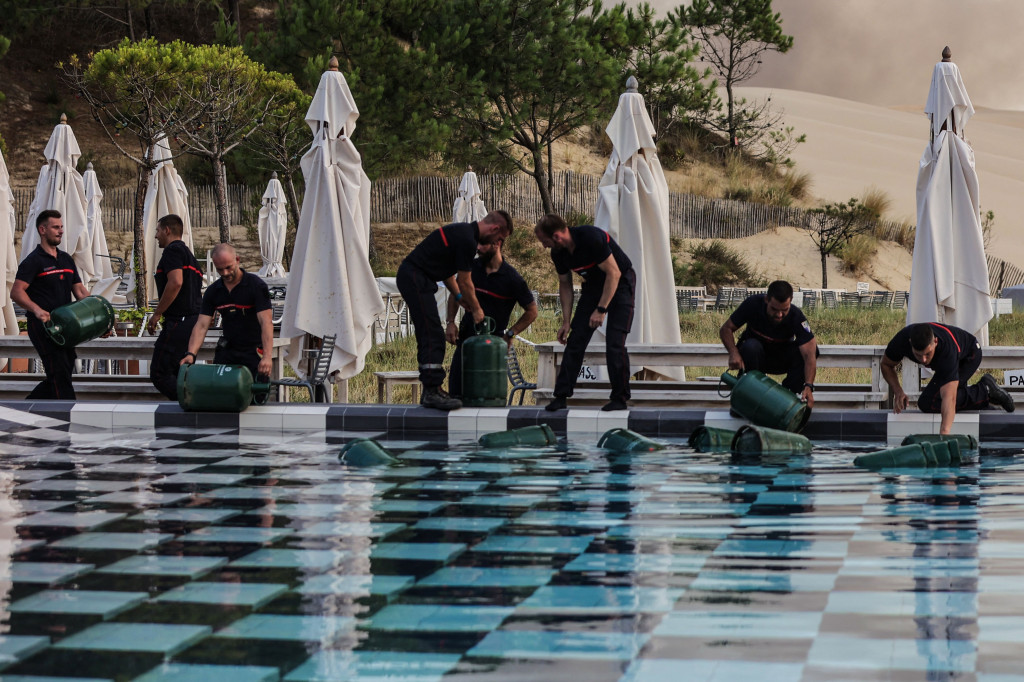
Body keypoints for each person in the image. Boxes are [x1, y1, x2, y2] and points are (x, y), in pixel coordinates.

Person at [397, 210, 513, 410]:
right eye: (499, 238)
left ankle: (433, 388)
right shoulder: (468, 240)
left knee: (431, 332)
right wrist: (477, 309)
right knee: (432, 334)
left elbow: (448, 274)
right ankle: (431, 391)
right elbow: (466, 281)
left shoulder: (463, 233)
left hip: (417, 277)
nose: (497, 243)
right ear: (494, 229)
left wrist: (459, 298)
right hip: (415, 277)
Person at [534, 214, 636, 412]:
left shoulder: (591, 237)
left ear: (556, 236)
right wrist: (566, 321)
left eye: (544, 241)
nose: (544, 246)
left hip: (621, 283)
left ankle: (619, 398)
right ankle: (561, 396)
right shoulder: (558, 253)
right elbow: (565, 284)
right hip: (594, 287)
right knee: (576, 340)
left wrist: (601, 309)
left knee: (615, 342)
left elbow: (614, 273)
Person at [11, 210, 91, 399]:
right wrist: (37, 310)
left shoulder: (66, 259)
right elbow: (16, 291)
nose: (61, 231)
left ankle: (26, 407)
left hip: (66, 326)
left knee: (63, 370)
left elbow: (80, 291)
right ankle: (67, 410)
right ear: (42, 230)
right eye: (56, 227)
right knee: (59, 373)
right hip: (43, 327)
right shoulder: (33, 261)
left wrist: (97, 313)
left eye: (61, 227)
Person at [445, 237, 538, 399]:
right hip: (466, 341)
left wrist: (511, 333)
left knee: (487, 398)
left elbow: (532, 311)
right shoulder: (470, 268)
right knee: (456, 394)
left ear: (497, 244)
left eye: (482, 244)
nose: (478, 248)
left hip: (492, 347)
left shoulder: (512, 278)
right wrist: (451, 322)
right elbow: (455, 293)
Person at [882, 322, 1014, 434]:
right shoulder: (901, 340)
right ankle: (985, 403)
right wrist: (898, 390)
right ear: (910, 343)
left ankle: (985, 390)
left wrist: (944, 435)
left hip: (969, 355)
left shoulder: (946, 350)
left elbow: (949, 398)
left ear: (935, 342)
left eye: (928, 354)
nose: (924, 360)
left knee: (931, 401)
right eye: (918, 355)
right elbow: (886, 365)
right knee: (927, 402)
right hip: (949, 358)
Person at [180, 243, 274, 380]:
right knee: (219, 387)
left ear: (237, 260)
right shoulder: (213, 291)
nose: (225, 273)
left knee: (256, 390)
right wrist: (191, 354)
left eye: (228, 267)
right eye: (220, 269)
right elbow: (201, 325)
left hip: (253, 351)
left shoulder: (256, 286)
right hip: (228, 349)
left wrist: (267, 356)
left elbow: (266, 322)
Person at [719, 280, 818, 408]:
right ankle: (748, 396)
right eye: (774, 309)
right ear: (766, 299)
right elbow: (726, 329)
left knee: (811, 350)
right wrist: (733, 353)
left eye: (784, 310)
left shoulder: (796, 316)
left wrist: (808, 386)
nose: (779, 315)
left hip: (780, 359)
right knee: (751, 346)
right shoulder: (753, 304)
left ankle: (789, 397)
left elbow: (809, 354)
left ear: (791, 301)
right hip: (754, 358)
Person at [147, 214, 203, 400]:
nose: (156, 236)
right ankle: (188, 408)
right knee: (180, 372)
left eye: (157, 230)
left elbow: (175, 282)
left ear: (167, 230)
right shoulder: (191, 257)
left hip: (179, 320)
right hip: (193, 323)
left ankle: (194, 403)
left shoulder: (173, 251)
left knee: (160, 373)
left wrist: (157, 313)